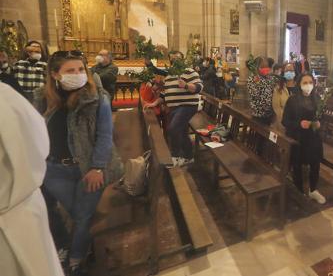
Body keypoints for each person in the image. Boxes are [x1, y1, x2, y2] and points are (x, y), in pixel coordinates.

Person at [33, 50, 122, 275]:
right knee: (73, 213)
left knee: (82, 217)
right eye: (70, 71)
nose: (78, 74)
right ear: (55, 74)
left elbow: (104, 135)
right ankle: (66, 245)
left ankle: (76, 258)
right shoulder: (42, 98)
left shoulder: (97, 97)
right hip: (55, 170)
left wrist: (97, 167)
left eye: (81, 69)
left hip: (88, 169)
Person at [0, 83, 65, 276]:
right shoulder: (38, 96)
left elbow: (36, 144)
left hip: (21, 207)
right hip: (28, 200)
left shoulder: (6, 97)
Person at [144, 51, 203, 167]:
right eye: (172, 58)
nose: (174, 60)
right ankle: (189, 157)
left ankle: (176, 156)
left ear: (183, 59)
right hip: (174, 107)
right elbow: (165, 94)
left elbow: (199, 87)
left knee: (173, 128)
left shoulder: (190, 72)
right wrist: (154, 103)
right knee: (181, 131)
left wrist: (186, 85)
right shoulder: (169, 74)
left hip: (187, 106)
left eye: (177, 58)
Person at [282, 73, 326, 204]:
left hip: (313, 137)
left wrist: (319, 123)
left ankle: (313, 190)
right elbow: (285, 121)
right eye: (305, 83)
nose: (308, 85)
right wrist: (299, 124)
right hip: (298, 137)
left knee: (315, 163)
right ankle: (299, 190)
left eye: (310, 82)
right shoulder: (293, 100)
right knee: (297, 164)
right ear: (299, 84)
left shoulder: (317, 98)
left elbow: (321, 117)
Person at [248, 56, 277, 124]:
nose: (265, 69)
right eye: (262, 67)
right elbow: (254, 95)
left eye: (266, 66)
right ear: (257, 67)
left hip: (270, 113)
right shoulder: (252, 79)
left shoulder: (270, 78)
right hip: (258, 114)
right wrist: (257, 83)